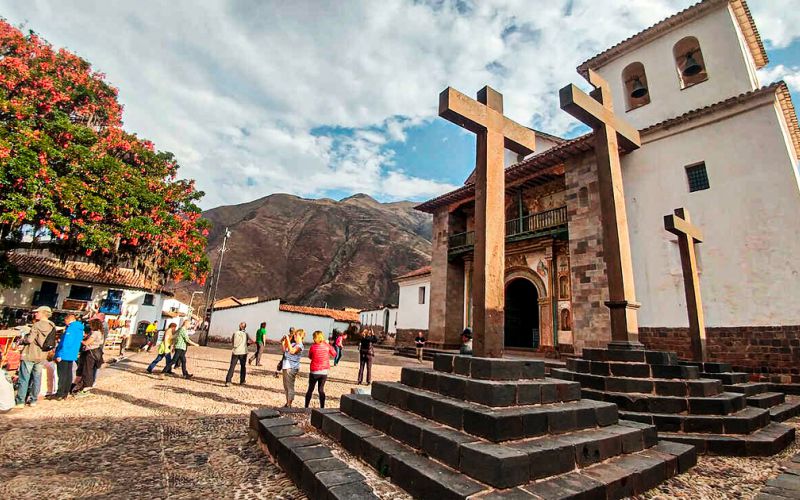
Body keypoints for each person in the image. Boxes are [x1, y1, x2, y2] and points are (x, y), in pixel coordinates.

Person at [15, 305, 55, 409]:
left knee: (24, 378)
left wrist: (22, 340)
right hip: (42, 355)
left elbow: (29, 340)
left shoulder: (36, 325)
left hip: (30, 354)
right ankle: (33, 400)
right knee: (37, 378)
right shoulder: (52, 325)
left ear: (43, 313)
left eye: (37, 312)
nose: (35, 314)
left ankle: (20, 401)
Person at [54, 314, 84, 399]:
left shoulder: (71, 328)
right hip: (72, 353)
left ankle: (60, 393)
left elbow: (67, 342)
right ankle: (65, 392)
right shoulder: (80, 328)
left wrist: (60, 354)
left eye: (65, 321)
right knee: (68, 374)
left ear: (67, 320)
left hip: (65, 354)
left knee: (62, 374)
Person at [73, 318, 105, 395]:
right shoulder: (100, 332)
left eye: (90, 324)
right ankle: (84, 385)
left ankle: (86, 387)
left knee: (87, 370)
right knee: (89, 370)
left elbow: (87, 343)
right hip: (95, 352)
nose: (89, 326)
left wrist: (78, 339)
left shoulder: (95, 333)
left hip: (90, 353)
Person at [305, 330, 336, 408]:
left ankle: (306, 406)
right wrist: (328, 344)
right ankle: (322, 407)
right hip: (324, 372)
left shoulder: (313, 347)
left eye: (313, 337)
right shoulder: (327, 346)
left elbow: (310, 356)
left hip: (314, 371)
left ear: (316, 338)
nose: (313, 339)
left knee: (310, 390)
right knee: (321, 390)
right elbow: (334, 354)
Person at [281, 329, 304, 407]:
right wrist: (284, 342)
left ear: (301, 336)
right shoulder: (293, 344)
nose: (294, 336)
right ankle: (287, 402)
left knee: (290, 386)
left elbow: (292, 351)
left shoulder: (300, 346)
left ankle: (289, 403)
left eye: (296, 335)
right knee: (286, 386)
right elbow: (285, 350)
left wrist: (288, 339)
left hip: (291, 367)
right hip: (286, 366)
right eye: (294, 335)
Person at [225, 322, 250, 386]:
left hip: (235, 351)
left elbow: (232, 342)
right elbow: (247, 343)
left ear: (239, 326)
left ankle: (228, 381)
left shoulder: (235, 333)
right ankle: (242, 381)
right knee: (243, 366)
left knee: (232, 366)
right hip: (243, 352)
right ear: (245, 327)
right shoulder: (246, 334)